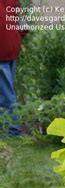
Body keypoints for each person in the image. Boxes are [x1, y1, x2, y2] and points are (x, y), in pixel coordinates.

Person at [0, 0, 27, 136]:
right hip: (12, 46)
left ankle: (13, 130)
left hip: (2, 48)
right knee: (7, 90)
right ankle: (6, 126)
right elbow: (23, 24)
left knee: (5, 93)